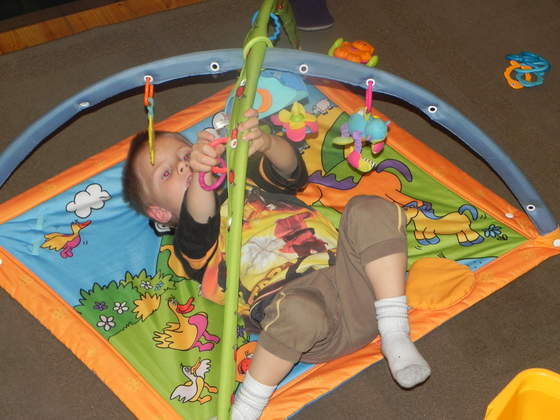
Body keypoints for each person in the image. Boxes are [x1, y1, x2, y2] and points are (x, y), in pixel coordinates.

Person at [122, 109, 431, 420]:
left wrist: (266, 142)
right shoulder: (193, 240)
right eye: (166, 174)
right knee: (298, 311)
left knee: (369, 209)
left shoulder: (243, 177)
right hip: (307, 322)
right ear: (160, 213)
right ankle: (245, 410)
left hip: (363, 284)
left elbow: (293, 171)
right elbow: (199, 214)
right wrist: (200, 178)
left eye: (186, 155)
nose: (183, 166)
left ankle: (395, 331)